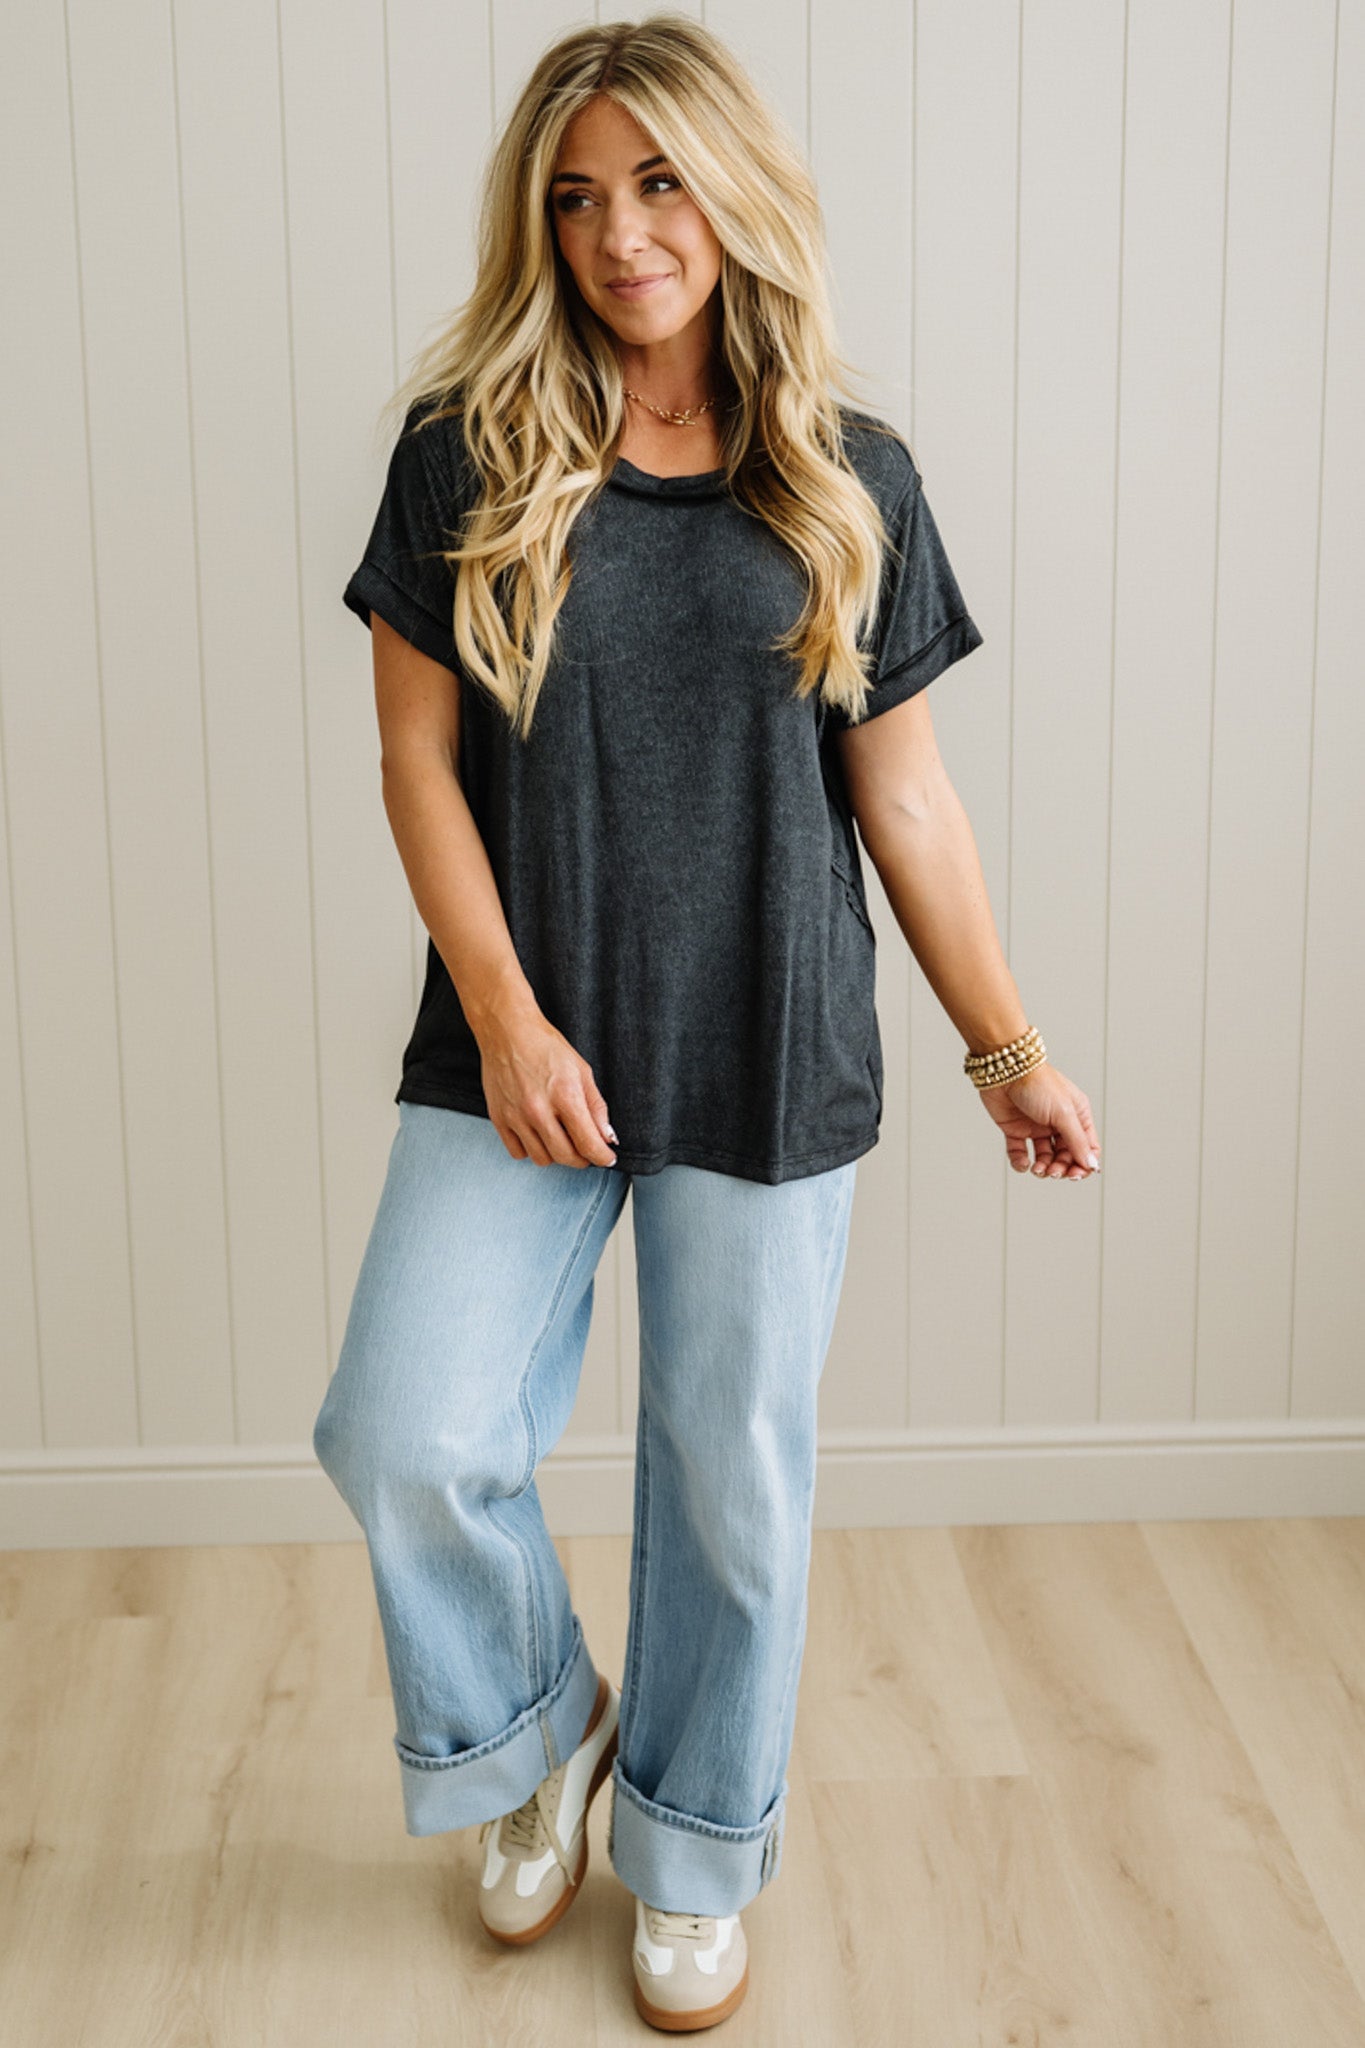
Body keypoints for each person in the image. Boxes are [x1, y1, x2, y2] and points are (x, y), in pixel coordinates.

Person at [311, 12, 1101, 2034]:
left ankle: (689, 1846)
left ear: (729, 190)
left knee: (726, 1477)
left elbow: (902, 797)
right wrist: (499, 1012)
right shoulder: (465, 450)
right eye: (573, 197)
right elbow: (414, 763)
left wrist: (1003, 1046)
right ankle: (535, 1733)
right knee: (403, 1429)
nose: (616, 231)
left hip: (768, 1038)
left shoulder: (850, 478)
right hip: (521, 1042)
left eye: (654, 181)